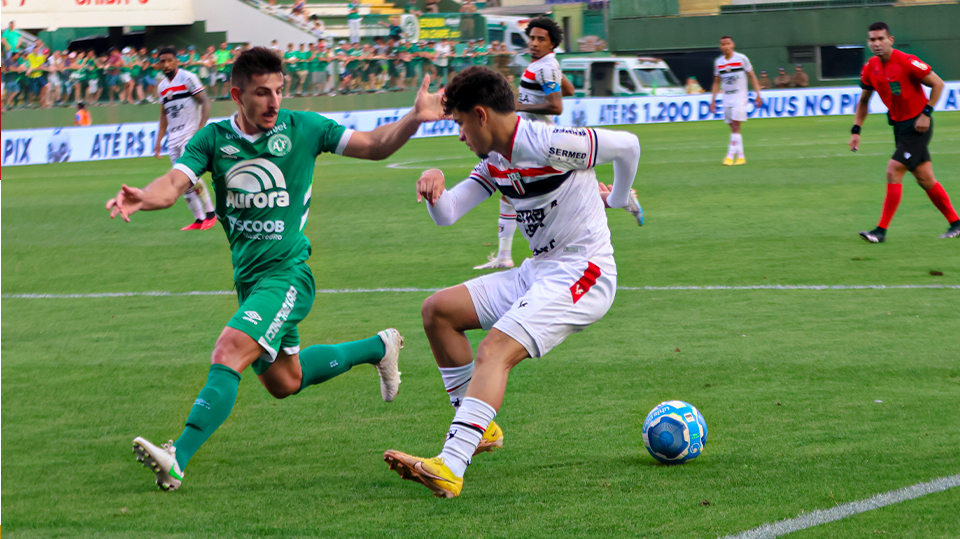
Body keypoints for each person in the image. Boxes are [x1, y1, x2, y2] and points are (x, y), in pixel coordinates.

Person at [108, 47, 447, 491]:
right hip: (250, 282)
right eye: (262, 93)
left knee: (228, 350)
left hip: (288, 275)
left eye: (279, 91)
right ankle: (378, 347)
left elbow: (374, 145)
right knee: (286, 381)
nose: (273, 102)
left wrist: (414, 118)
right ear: (237, 94)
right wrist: (143, 197)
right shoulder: (212, 140)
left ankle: (177, 457)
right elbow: (173, 185)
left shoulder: (304, 127)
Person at [383, 67, 641, 498]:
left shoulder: (548, 142)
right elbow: (448, 213)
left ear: (481, 115)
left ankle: (451, 464)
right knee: (438, 312)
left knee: (494, 349)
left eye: (460, 124)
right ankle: (478, 429)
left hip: (585, 272)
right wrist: (434, 187)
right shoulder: (495, 162)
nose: (460, 135)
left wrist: (616, 198)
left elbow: (628, 145)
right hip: (539, 270)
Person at [476, 16, 642, 271]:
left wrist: (520, 105)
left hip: (540, 143)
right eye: (532, 38)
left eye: (541, 39)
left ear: (552, 44)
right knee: (511, 194)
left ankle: (617, 198)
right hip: (534, 140)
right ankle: (504, 255)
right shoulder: (546, 65)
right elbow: (569, 89)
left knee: (537, 196)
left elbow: (556, 104)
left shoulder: (544, 67)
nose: (534, 43)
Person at [851, 22, 959, 242]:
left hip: (918, 126)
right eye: (872, 39)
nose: (876, 43)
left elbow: (938, 84)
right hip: (899, 127)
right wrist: (856, 130)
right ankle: (956, 223)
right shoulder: (870, 67)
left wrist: (926, 113)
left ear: (890, 40)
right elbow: (864, 101)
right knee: (925, 178)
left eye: (881, 38)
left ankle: (880, 231)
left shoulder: (907, 62)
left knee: (894, 170)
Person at [153, 47, 217, 231]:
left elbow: (205, 101)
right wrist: (158, 141)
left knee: (190, 176)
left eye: (169, 60)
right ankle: (198, 219)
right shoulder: (162, 87)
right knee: (180, 182)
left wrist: (200, 129)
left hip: (189, 135)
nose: (165, 65)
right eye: (162, 61)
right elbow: (164, 115)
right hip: (173, 139)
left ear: (176, 61)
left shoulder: (188, 78)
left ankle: (211, 213)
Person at [710, 36, 763, 166]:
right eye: (723, 44)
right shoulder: (719, 62)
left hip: (740, 97)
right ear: (720, 47)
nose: (726, 46)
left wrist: (758, 94)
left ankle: (729, 156)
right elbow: (716, 82)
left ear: (733, 44)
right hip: (727, 98)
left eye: (728, 43)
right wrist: (713, 100)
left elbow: (752, 76)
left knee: (735, 125)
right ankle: (741, 157)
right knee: (734, 128)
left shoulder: (741, 59)